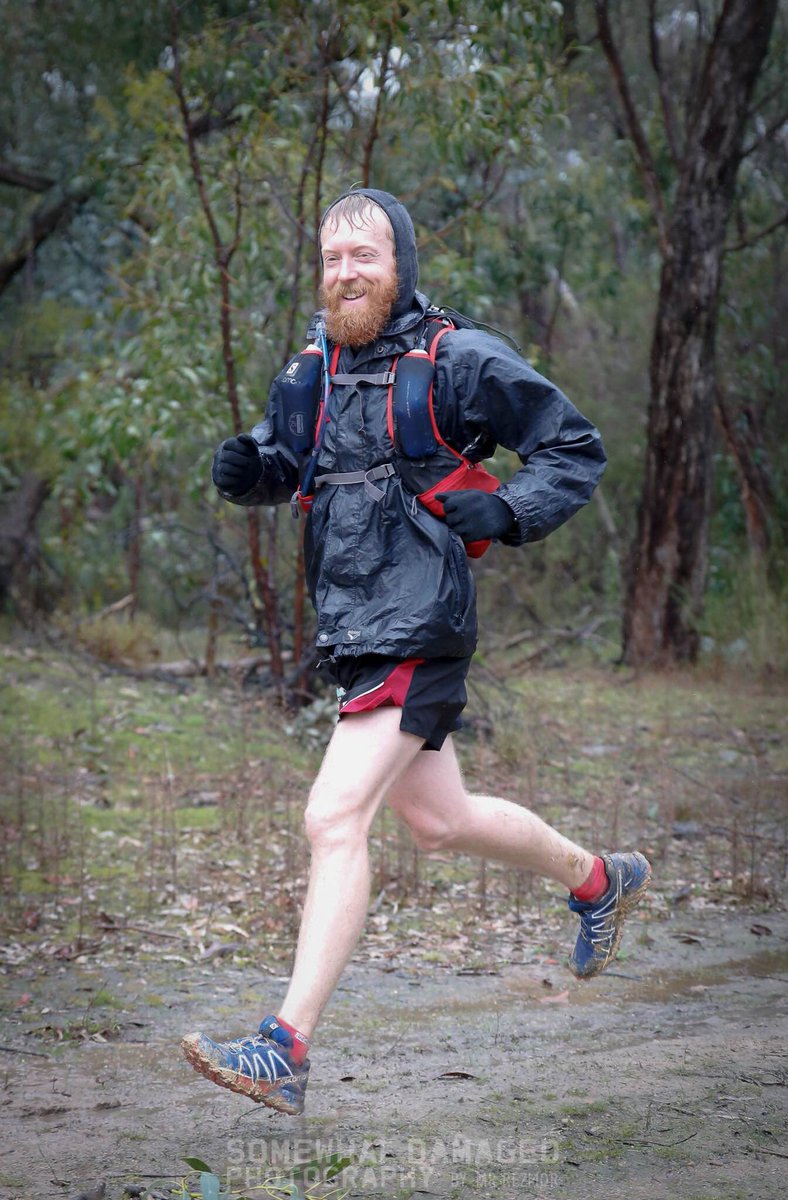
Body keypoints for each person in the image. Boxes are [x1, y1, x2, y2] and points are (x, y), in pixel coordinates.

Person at [181, 188, 651, 1115]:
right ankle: (601, 880)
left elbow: (573, 448)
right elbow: (290, 460)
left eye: (364, 255)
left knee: (333, 816)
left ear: (400, 262)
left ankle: (285, 1048)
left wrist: (508, 510)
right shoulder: (312, 366)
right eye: (331, 259)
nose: (345, 273)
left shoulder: (458, 358)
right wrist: (253, 471)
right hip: (352, 624)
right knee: (441, 820)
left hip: (423, 617)